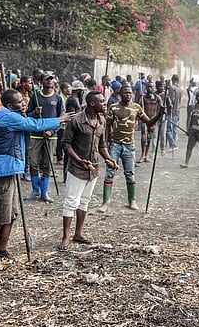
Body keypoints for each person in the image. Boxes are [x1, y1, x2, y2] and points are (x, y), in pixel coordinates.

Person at [0, 89, 72, 270]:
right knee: (0, 217)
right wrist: (59, 119)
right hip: (1, 171)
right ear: (10, 105)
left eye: (23, 101)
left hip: (9, 169)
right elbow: (33, 125)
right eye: (19, 102)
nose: (23, 104)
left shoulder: (3, 117)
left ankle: (2, 253)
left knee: (11, 215)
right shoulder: (10, 117)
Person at [59, 91, 117, 250]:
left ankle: (78, 233)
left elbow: (102, 145)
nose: (104, 104)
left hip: (93, 168)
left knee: (84, 201)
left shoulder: (102, 121)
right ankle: (66, 237)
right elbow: (66, 144)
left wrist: (108, 159)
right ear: (92, 103)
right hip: (77, 168)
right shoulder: (76, 120)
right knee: (71, 202)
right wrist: (79, 160)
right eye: (101, 102)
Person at [100, 85, 163, 212]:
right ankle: (106, 202)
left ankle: (132, 200)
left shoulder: (136, 108)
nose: (128, 95)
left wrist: (160, 114)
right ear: (120, 94)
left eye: (130, 93)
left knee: (130, 174)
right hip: (115, 145)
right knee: (110, 172)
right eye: (125, 93)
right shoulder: (114, 108)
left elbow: (149, 122)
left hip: (129, 145)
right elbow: (107, 126)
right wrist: (105, 143)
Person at [25, 74, 63, 202]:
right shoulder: (35, 96)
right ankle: (35, 190)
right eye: (47, 79)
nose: (49, 81)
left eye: (51, 79)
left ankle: (44, 192)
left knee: (47, 164)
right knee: (34, 162)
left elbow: (61, 118)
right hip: (36, 134)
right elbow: (27, 115)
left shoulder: (58, 98)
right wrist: (35, 112)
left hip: (51, 137)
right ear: (41, 81)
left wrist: (52, 131)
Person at [181, 91, 199, 168]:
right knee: (189, 146)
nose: (198, 98)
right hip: (193, 129)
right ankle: (186, 162)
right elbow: (191, 117)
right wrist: (189, 129)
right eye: (197, 96)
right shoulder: (194, 106)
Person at [165, 75, 182, 152]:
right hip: (178, 111)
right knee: (175, 129)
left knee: (168, 129)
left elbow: (172, 100)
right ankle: (173, 144)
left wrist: (167, 97)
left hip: (171, 111)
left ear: (173, 80)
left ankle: (173, 144)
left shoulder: (172, 88)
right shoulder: (180, 89)